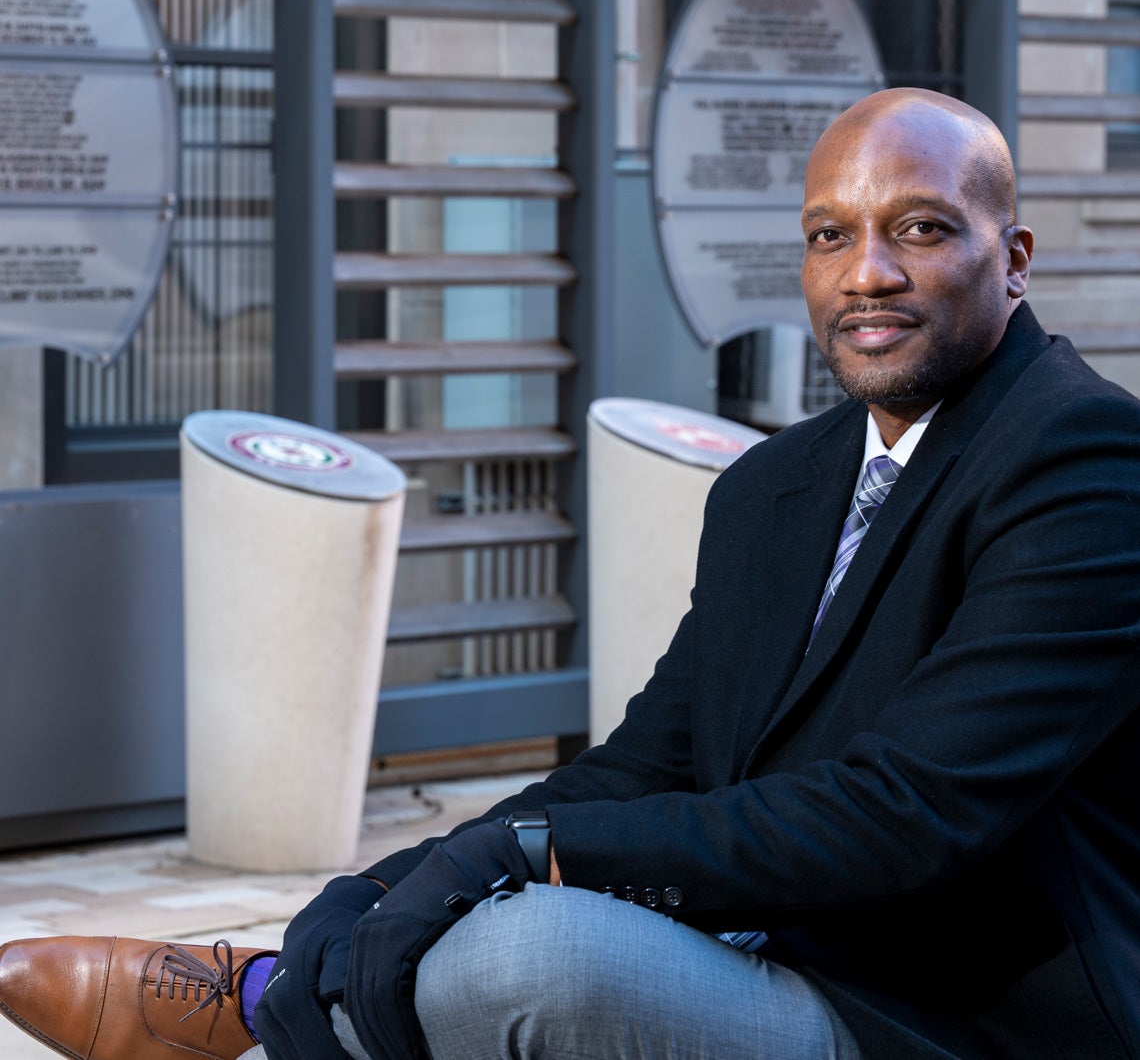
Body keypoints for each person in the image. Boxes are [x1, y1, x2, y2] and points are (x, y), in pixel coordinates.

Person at [2, 87, 1139, 1060]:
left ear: (1016, 259)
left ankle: (257, 1007)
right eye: (829, 235)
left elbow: (903, 812)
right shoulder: (774, 485)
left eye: (923, 228)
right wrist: (410, 870)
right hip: (772, 944)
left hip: (945, 1016)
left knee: (527, 952)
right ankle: (289, 987)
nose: (867, 273)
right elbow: (655, 759)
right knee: (470, 905)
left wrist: (529, 860)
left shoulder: (1082, 460)